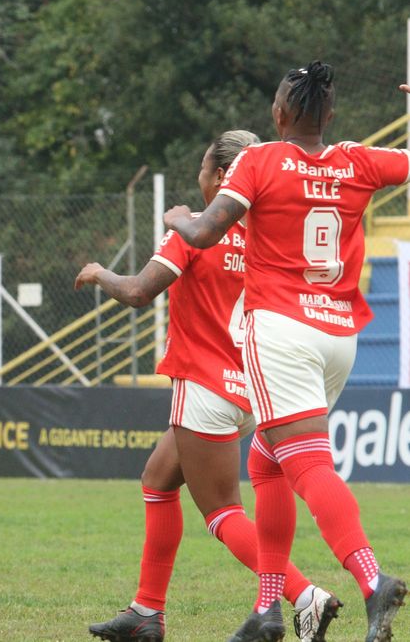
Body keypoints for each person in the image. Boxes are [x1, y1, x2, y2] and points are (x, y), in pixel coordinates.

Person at [164, 61, 408, 642]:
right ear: (331, 115)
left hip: (278, 331)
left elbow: (203, 233)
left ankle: (373, 581)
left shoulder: (259, 160)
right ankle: (268, 610)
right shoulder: (358, 158)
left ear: (278, 114)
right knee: (265, 462)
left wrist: (178, 216)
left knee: (306, 463)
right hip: (337, 334)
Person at [77, 130, 338, 642]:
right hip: (252, 388)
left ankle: (307, 595)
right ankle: (146, 612)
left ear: (221, 178)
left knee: (221, 513)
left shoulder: (196, 232)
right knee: (157, 480)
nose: (198, 178)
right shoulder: (272, 238)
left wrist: (99, 272)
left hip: (204, 385)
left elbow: (135, 293)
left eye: (202, 168)